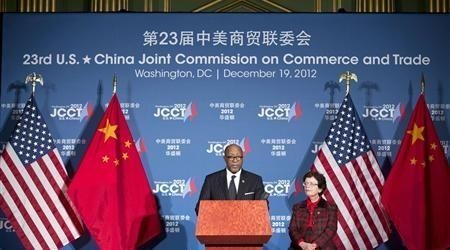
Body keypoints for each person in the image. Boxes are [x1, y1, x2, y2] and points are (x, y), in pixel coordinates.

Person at [195, 144, 266, 215]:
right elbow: (200, 208)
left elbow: (263, 209)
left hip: (246, 225)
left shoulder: (255, 180)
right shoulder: (211, 180)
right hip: (220, 224)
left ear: (242, 158)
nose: (235, 160)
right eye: (231, 157)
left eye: (238, 157)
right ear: (225, 158)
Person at [288, 171, 337, 250]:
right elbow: (292, 229)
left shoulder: (330, 207)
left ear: (320, 189)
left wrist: (314, 245)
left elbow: (331, 229)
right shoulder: (297, 207)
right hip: (300, 247)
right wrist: (302, 244)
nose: (307, 186)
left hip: (322, 247)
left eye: (311, 184)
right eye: (306, 183)